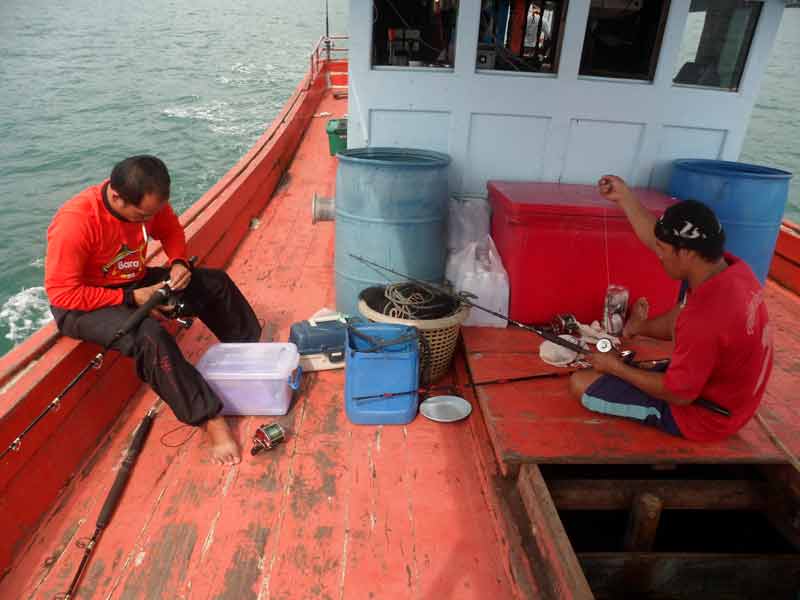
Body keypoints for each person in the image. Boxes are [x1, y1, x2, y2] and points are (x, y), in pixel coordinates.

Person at [44, 155, 261, 465]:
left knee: (214, 283)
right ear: (116, 196)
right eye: (143, 215)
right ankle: (209, 419)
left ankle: (250, 354)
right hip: (81, 304)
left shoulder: (148, 206)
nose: (149, 220)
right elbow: (63, 293)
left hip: (131, 281)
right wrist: (131, 299)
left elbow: (171, 229)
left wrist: (177, 262)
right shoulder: (75, 223)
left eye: (153, 213)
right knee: (149, 335)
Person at [569, 175, 773, 442]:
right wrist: (624, 197)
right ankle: (639, 327)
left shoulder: (706, 318)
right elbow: (659, 240)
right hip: (730, 395)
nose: (659, 255)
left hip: (704, 417)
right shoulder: (731, 272)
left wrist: (614, 368)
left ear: (686, 253)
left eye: (663, 250)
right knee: (683, 313)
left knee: (580, 383)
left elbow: (680, 394)